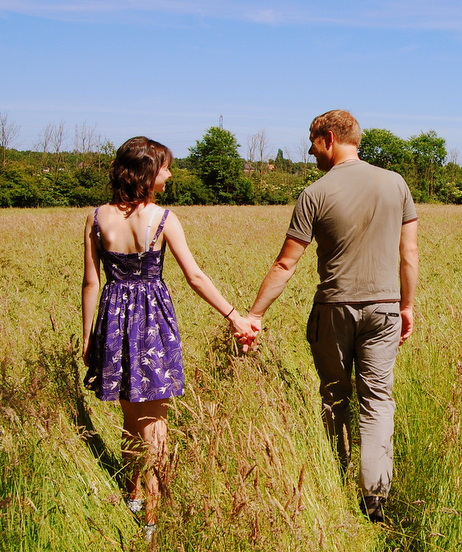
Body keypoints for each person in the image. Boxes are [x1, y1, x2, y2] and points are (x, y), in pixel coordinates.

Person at [240, 110, 419, 523]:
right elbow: (408, 254)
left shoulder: (314, 193)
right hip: (385, 308)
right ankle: (375, 503)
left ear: (330, 137)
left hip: (333, 309)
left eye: (312, 140)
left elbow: (286, 265)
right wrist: (406, 305)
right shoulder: (396, 184)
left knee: (335, 398)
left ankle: (335, 484)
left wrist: (254, 314)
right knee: (377, 402)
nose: (309, 149)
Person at [82, 136, 251, 541]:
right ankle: (151, 523)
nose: (170, 174)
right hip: (152, 324)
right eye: (165, 167)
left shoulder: (95, 218)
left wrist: (87, 337)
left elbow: (91, 282)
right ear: (146, 172)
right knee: (155, 423)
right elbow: (194, 276)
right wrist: (234, 315)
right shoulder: (163, 218)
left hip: (113, 323)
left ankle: (132, 497)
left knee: (128, 419)